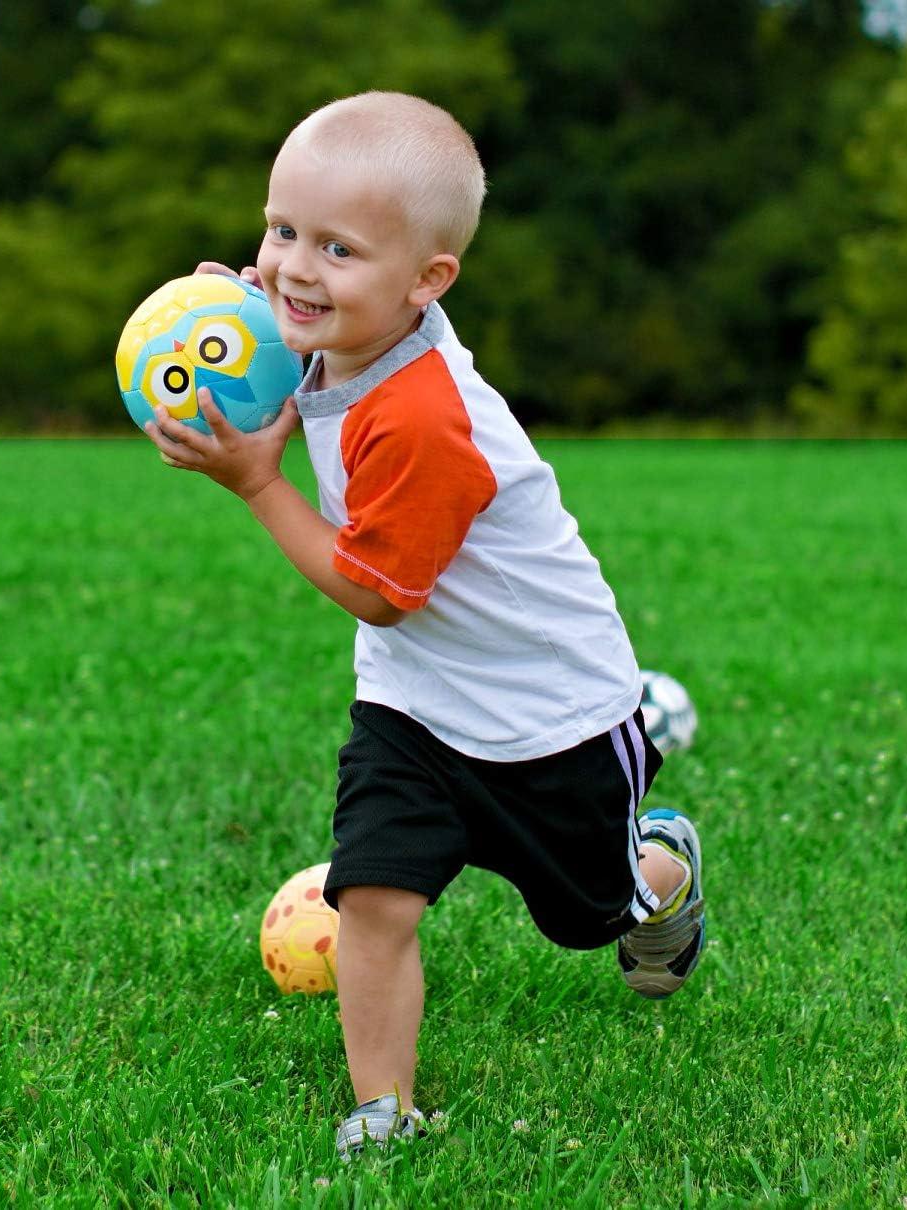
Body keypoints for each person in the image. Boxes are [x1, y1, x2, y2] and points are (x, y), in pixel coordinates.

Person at [143, 91, 706, 1160]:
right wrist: (232, 318)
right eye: (281, 229)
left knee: (592, 915)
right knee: (374, 897)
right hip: (411, 704)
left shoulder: (420, 418)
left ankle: (663, 866)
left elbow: (377, 592)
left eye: (337, 249)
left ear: (426, 281)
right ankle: (384, 1109)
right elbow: (282, 325)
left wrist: (259, 484)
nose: (294, 268)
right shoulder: (337, 324)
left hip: (547, 713)